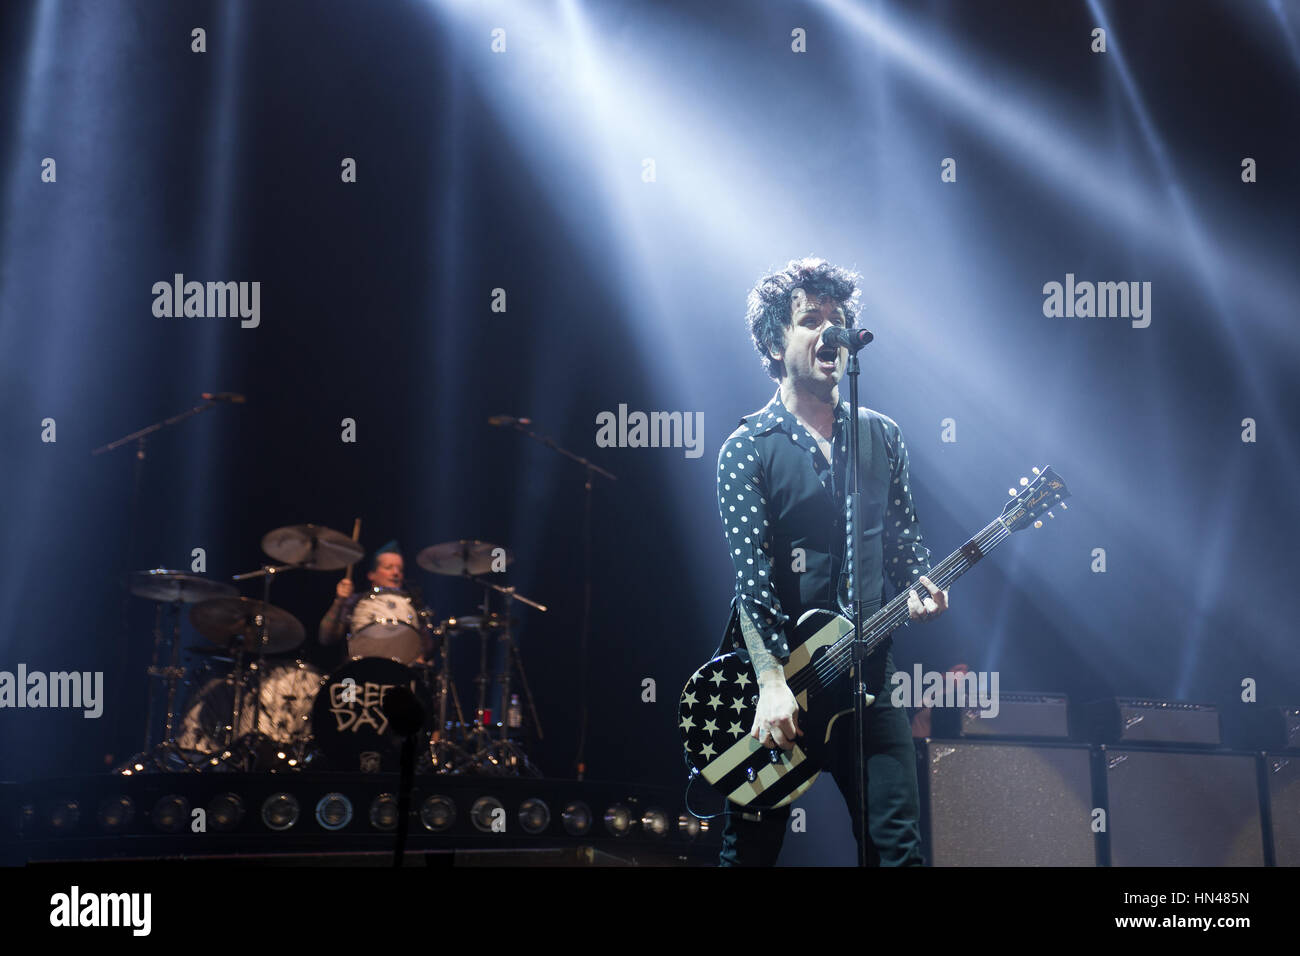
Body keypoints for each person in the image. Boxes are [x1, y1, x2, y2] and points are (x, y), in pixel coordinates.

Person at [715, 257, 949, 866]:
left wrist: (922, 586)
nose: (830, 333)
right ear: (774, 340)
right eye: (810, 320)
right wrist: (770, 684)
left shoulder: (881, 436)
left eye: (837, 319)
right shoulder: (747, 448)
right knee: (751, 855)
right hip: (778, 685)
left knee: (897, 852)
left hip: (869, 679)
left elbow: (906, 548)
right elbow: (752, 580)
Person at [318, 541, 435, 665]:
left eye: (400, 569)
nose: (396, 573)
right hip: (361, 673)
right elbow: (325, 638)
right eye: (388, 567)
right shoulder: (356, 601)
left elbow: (427, 650)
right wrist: (340, 601)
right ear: (371, 575)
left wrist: (421, 656)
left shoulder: (413, 605)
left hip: (403, 673)